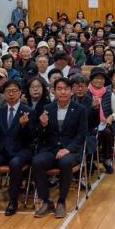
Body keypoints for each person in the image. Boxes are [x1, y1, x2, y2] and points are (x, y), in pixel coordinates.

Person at [0, 79, 37, 216]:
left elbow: (32, 136)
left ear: (20, 93)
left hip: (22, 150)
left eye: (14, 91)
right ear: (3, 93)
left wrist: (24, 126)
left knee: (15, 163)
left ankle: (13, 200)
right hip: (1, 150)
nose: (11, 94)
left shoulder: (28, 112)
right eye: (8, 91)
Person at [32, 78, 89, 218]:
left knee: (65, 162)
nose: (63, 92)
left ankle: (61, 202)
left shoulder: (80, 109)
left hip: (71, 150)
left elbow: (81, 135)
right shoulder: (47, 108)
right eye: (59, 89)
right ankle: (46, 201)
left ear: (71, 91)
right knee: (37, 161)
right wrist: (42, 125)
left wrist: (68, 149)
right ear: (54, 91)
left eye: (66, 89)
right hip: (51, 149)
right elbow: (38, 135)